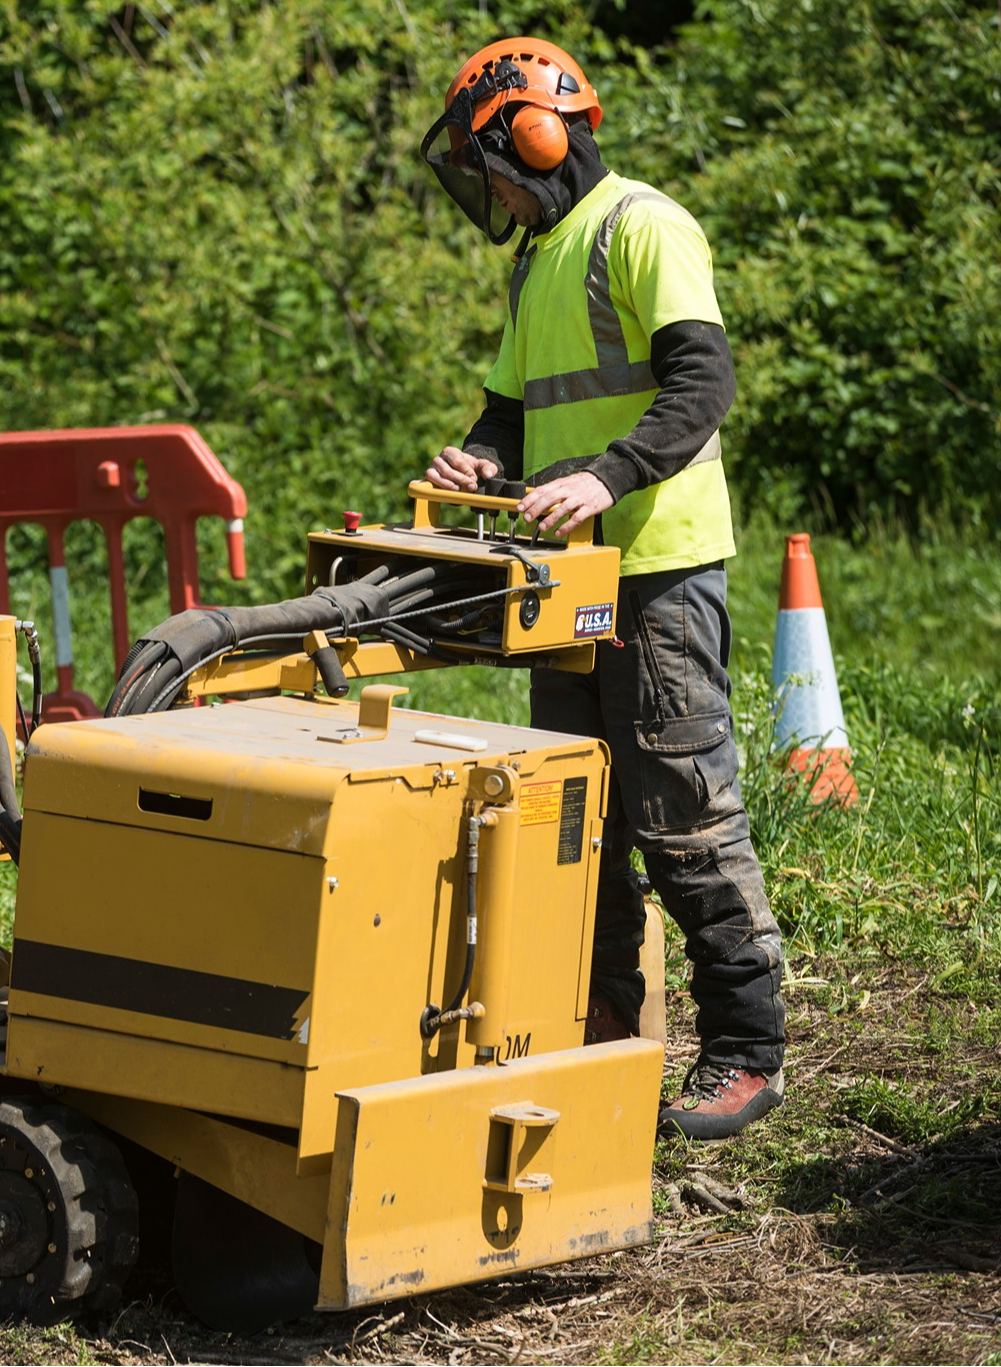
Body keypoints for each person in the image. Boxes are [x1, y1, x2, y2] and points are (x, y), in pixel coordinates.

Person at [416, 37, 786, 1139]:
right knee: (578, 812)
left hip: (655, 568)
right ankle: (604, 1027)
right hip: (568, 580)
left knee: (680, 814)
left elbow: (700, 380)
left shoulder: (641, 225)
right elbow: (507, 406)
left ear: (533, 134)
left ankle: (744, 1050)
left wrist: (604, 474)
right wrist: (482, 458)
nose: (484, 190)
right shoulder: (535, 257)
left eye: (489, 164)